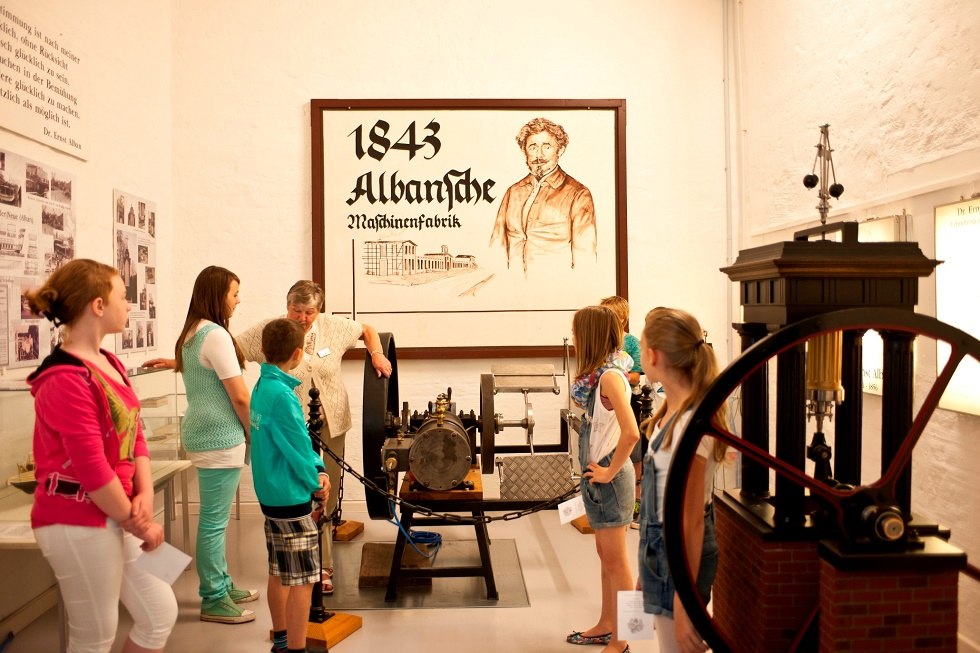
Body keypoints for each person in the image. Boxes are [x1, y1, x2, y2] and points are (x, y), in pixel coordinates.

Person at [146, 279, 392, 594]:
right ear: (287, 305)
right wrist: (177, 362)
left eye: (309, 311)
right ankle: (297, 562)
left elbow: (367, 330)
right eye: (296, 309)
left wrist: (375, 354)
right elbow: (226, 352)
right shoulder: (272, 332)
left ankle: (323, 565)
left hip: (330, 422)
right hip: (290, 422)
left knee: (324, 492)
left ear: (319, 310)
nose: (302, 317)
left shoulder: (335, 327)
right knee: (299, 492)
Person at [25, 258, 177, 653]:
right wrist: (138, 522)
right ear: (97, 305)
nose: (129, 306)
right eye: (123, 297)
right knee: (94, 636)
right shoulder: (64, 378)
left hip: (114, 510)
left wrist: (143, 495)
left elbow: (135, 434)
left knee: (159, 611)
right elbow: (92, 468)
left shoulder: (109, 362)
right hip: (77, 518)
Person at [636, 307, 728, 653]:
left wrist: (683, 598)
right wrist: (643, 571)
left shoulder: (691, 424)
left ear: (653, 355)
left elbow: (690, 521)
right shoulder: (669, 414)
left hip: (680, 557)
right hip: (662, 551)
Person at [175, 265, 258, 624]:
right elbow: (239, 396)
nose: (238, 301)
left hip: (204, 434)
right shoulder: (215, 335)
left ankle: (222, 584)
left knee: (215, 520)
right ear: (217, 294)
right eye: (234, 293)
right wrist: (253, 432)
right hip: (219, 437)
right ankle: (212, 597)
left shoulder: (192, 333)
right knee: (213, 522)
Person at [250, 318, 330, 653]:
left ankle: (281, 641)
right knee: (304, 580)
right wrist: (317, 482)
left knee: (278, 570)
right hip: (291, 498)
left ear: (265, 351)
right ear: (298, 354)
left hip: (270, 495)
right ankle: (296, 649)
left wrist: (317, 468)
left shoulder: (261, 386)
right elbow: (299, 448)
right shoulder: (283, 396)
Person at [566, 305, 639, 653]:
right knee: (605, 557)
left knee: (619, 564)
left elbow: (632, 433)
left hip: (610, 480)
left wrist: (609, 471)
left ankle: (624, 640)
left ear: (589, 336)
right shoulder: (602, 375)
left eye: (579, 334)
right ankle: (608, 624)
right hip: (601, 482)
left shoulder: (610, 378)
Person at [489, 117, 596, 274]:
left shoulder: (579, 194)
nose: (539, 154)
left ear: (560, 150)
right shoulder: (513, 192)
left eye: (546, 147)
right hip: (511, 288)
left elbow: (585, 259)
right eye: (532, 147)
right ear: (524, 150)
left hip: (555, 290)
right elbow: (496, 246)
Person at [599, 295, 645, 527]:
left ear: (622, 317)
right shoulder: (598, 342)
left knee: (634, 455)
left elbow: (638, 375)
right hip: (605, 409)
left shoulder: (632, 343)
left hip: (628, 404)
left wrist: (619, 376)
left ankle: (635, 505)